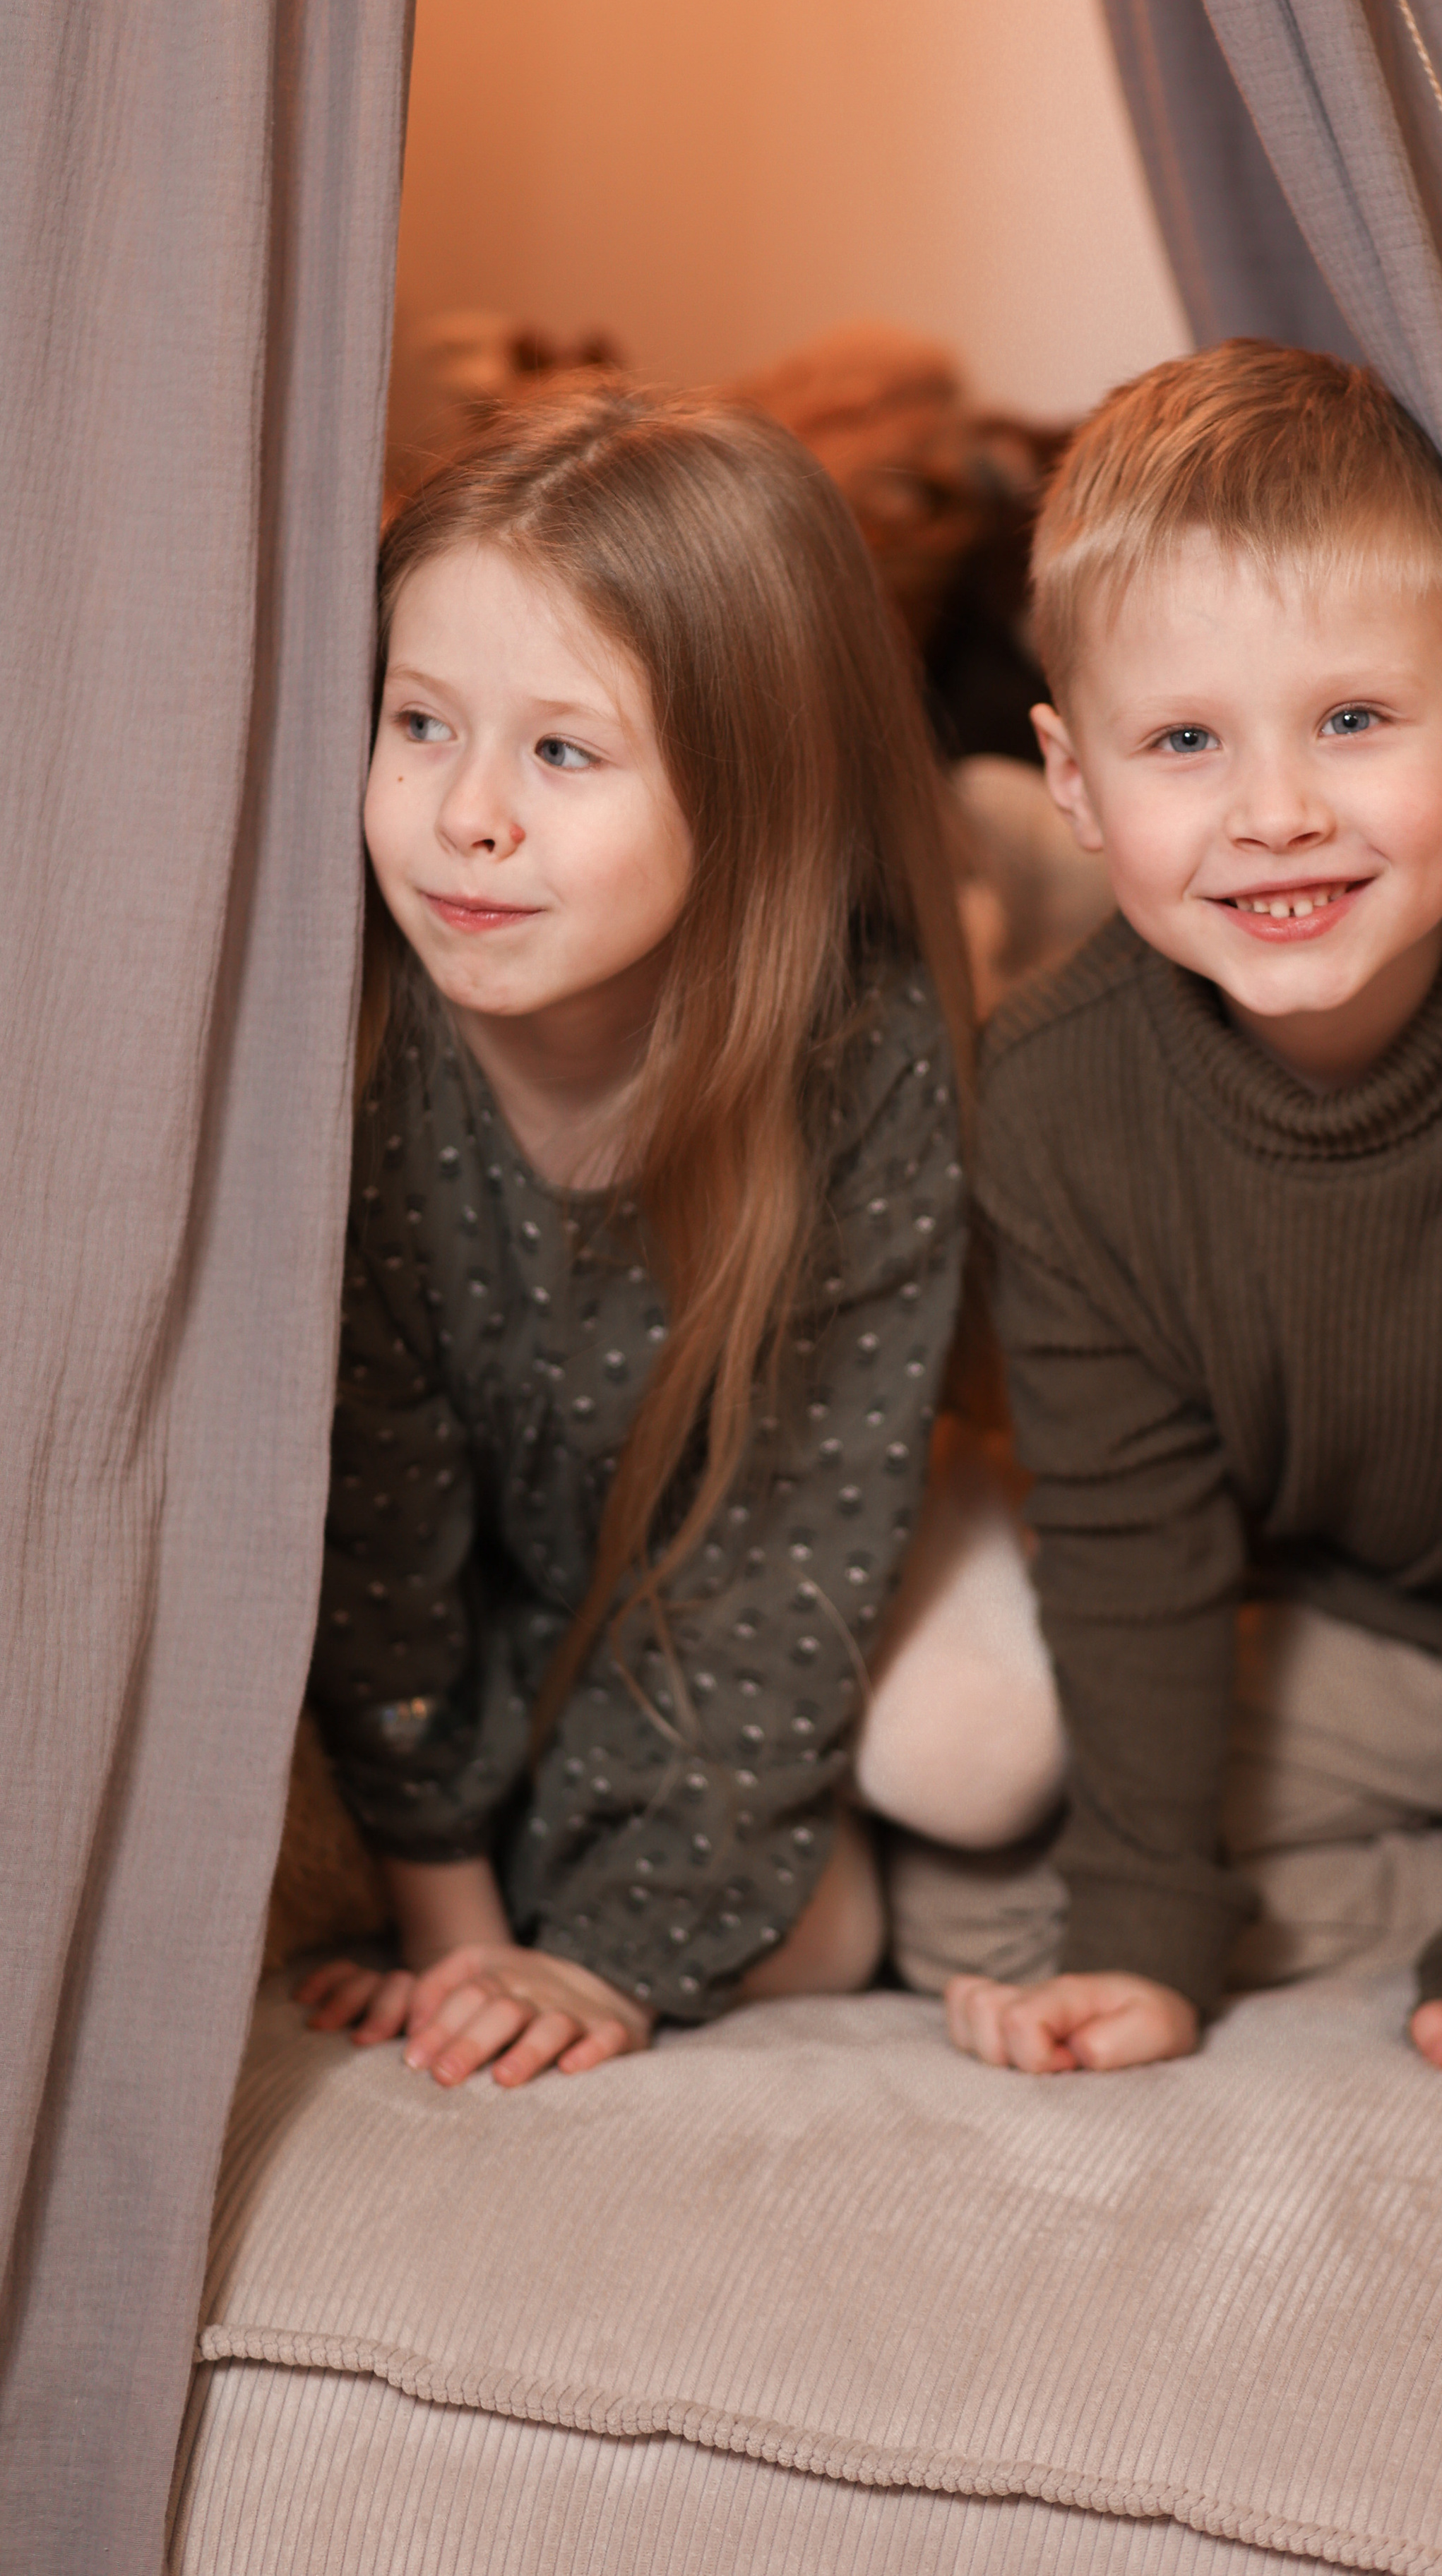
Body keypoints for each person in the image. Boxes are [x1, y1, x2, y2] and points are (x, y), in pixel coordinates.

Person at [946, 342, 1442, 2115]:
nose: (1275, 809)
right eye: (1184, 741)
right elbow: (1130, 1542)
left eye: (1352, 719)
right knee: (970, 1895)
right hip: (1365, 1631)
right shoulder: (1052, 1104)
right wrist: (1135, 1938)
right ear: (1069, 780)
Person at [299, 381, 987, 2087]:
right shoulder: (357, 1048)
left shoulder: (860, 1063)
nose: (468, 816)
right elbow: (375, 1520)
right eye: (418, 725)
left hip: (777, 1520)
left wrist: (612, 1951)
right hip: (516, 1567)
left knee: (959, 1776)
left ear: (751, 792)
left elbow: (790, 1550)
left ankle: (1014, 864)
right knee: (573, 1885)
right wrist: (456, 1935)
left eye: (561, 750)